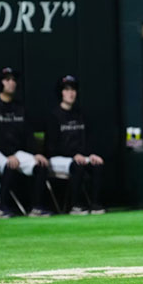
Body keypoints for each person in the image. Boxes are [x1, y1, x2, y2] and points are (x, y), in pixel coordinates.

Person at [0, 67, 52, 218]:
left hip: (15, 153)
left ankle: (37, 207)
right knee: (9, 164)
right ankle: (1, 207)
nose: (11, 83)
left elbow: (28, 135)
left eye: (13, 80)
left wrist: (36, 154)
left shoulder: (20, 107)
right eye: (7, 80)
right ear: (0, 83)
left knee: (40, 165)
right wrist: (8, 155)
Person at [45, 75, 105, 215]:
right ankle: (75, 205)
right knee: (77, 165)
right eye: (66, 89)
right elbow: (51, 147)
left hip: (79, 157)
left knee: (97, 164)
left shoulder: (81, 114)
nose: (70, 93)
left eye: (73, 90)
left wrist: (91, 155)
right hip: (58, 158)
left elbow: (87, 141)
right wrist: (73, 155)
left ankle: (95, 204)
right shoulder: (53, 116)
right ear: (61, 93)